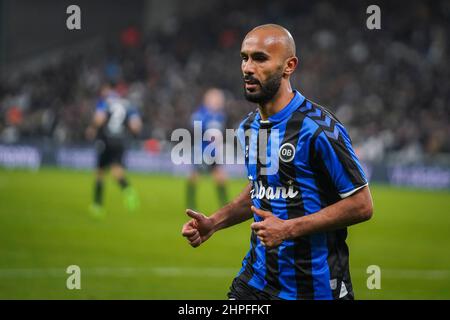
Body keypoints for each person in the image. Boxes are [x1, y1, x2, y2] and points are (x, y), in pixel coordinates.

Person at [181, 24, 373, 300]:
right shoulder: (249, 128)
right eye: (244, 58)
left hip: (314, 288)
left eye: (260, 58)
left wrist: (288, 228)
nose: (248, 68)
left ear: (289, 66)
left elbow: (362, 205)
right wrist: (214, 222)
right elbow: (260, 189)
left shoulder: (317, 128)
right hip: (255, 282)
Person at [86, 82, 142, 219]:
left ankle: (97, 206)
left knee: (99, 173)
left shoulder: (105, 102)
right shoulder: (128, 105)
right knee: (117, 171)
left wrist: (92, 128)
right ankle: (128, 190)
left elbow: (99, 119)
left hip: (106, 140)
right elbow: (136, 126)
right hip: (120, 141)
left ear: (108, 90)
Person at [187, 88, 228, 210]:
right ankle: (191, 203)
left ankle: (224, 204)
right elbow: (195, 127)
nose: (218, 102)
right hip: (203, 150)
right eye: (216, 99)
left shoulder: (220, 115)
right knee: (195, 176)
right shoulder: (201, 114)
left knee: (220, 177)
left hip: (214, 151)